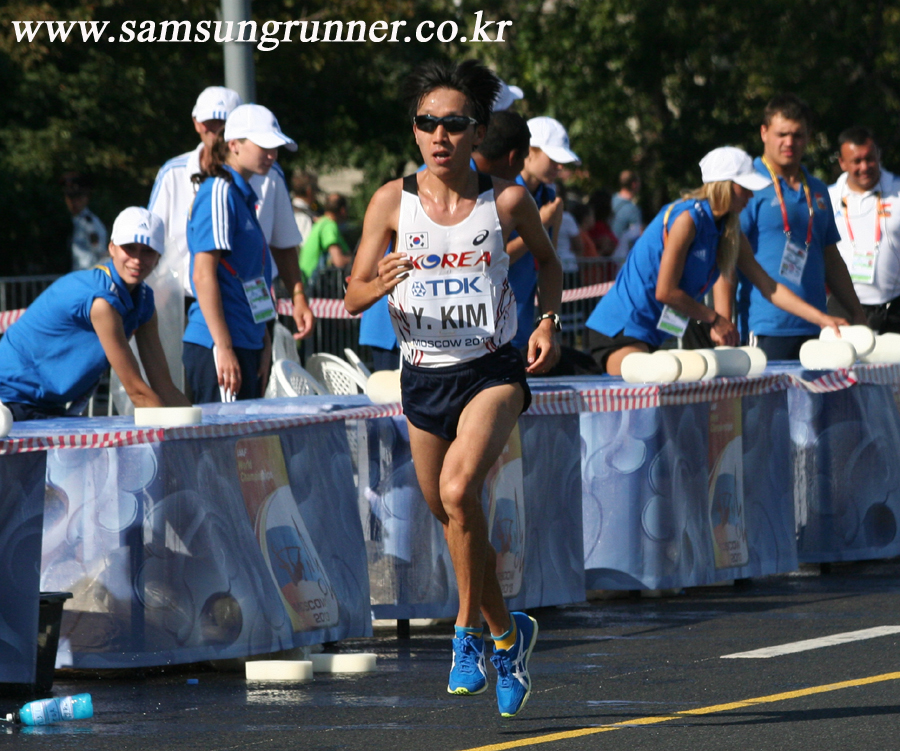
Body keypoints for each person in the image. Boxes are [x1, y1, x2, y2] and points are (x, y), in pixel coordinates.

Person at [344, 59, 563, 718]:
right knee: (456, 520)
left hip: (491, 369)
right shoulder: (391, 200)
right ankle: (508, 632)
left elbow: (549, 266)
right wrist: (377, 282)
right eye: (426, 123)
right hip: (424, 375)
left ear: (476, 131)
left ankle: (464, 633)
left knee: (458, 491)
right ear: (415, 131)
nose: (438, 135)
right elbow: (352, 293)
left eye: (453, 124)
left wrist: (547, 319)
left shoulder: (508, 200)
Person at [586, 147, 848, 375]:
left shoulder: (729, 228)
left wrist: (822, 319)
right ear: (724, 185)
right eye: (745, 188)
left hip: (652, 336)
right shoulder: (686, 219)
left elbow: (769, 286)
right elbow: (666, 292)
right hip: (617, 331)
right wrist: (715, 319)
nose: (750, 195)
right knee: (648, 406)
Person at [148, 86, 313, 339]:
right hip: (187, 304)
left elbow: (283, 244)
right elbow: (152, 245)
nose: (216, 133)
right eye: (209, 124)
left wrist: (298, 297)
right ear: (196, 124)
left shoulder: (269, 175)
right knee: (199, 375)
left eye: (223, 125)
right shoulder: (182, 176)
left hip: (252, 303)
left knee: (251, 374)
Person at [0, 207, 190, 420]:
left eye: (147, 251)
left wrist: (200, 435)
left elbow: (164, 387)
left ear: (158, 257)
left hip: (44, 405)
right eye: (129, 248)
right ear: (112, 248)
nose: (137, 259)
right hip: (8, 399)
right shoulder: (101, 302)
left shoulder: (144, 301)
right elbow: (138, 392)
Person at [714, 95, 866, 360]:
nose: (789, 143)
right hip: (767, 327)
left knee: (815, 403)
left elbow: (830, 257)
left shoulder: (817, 188)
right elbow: (726, 259)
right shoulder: (747, 186)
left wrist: (856, 311)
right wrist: (723, 322)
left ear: (808, 136)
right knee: (768, 403)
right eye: (781, 134)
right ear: (764, 133)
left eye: (797, 135)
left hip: (819, 326)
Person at [183, 104, 298, 403]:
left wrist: (263, 339)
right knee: (221, 449)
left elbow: (251, 276)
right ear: (233, 145)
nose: (272, 154)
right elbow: (203, 273)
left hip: (245, 341)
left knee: (244, 448)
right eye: (264, 146)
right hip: (218, 345)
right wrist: (223, 347)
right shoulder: (219, 191)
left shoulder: (241, 194)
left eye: (276, 147)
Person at [507, 116, 577, 351]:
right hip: (490, 320)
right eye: (553, 158)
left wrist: (548, 325)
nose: (560, 166)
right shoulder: (502, 191)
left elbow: (550, 259)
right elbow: (493, 258)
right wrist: (538, 223)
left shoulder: (549, 195)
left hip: (523, 319)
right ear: (529, 152)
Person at [828, 126, 900, 333]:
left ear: (878, 155)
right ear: (842, 163)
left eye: (870, 158)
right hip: (843, 307)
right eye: (856, 161)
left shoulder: (897, 190)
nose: (865, 166)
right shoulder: (828, 198)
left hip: (894, 307)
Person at [299, 192, 352, 290]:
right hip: (314, 284)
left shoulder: (321, 222)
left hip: (306, 279)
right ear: (343, 210)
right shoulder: (329, 226)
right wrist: (357, 260)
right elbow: (338, 260)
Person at [61, 172, 108, 271]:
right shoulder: (73, 221)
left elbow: (100, 252)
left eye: (78, 197)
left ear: (86, 198)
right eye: (70, 197)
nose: (73, 202)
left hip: (86, 275)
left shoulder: (90, 224)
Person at [610, 169, 643, 245]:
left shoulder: (610, 200)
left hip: (605, 251)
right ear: (634, 184)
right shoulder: (633, 209)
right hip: (620, 253)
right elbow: (637, 235)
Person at [291, 168, 320, 242]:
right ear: (309, 191)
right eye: (316, 190)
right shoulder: (304, 217)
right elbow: (305, 247)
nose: (316, 195)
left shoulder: (287, 211)